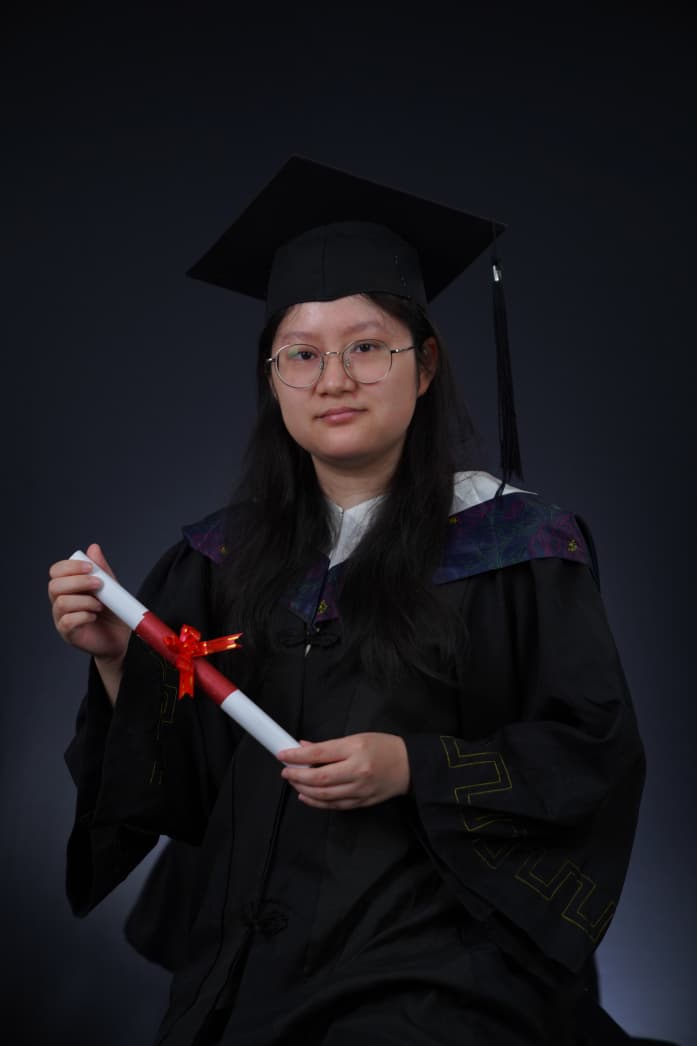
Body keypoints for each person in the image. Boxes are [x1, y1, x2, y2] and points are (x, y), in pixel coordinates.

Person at [48, 157, 645, 1045]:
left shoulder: (515, 548)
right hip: (248, 973)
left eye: (366, 346)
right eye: (301, 354)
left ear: (424, 364)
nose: (333, 379)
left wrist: (414, 766)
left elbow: (590, 756)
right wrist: (115, 661)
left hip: (438, 976)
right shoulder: (220, 560)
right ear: (273, 377)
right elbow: (187, 793)